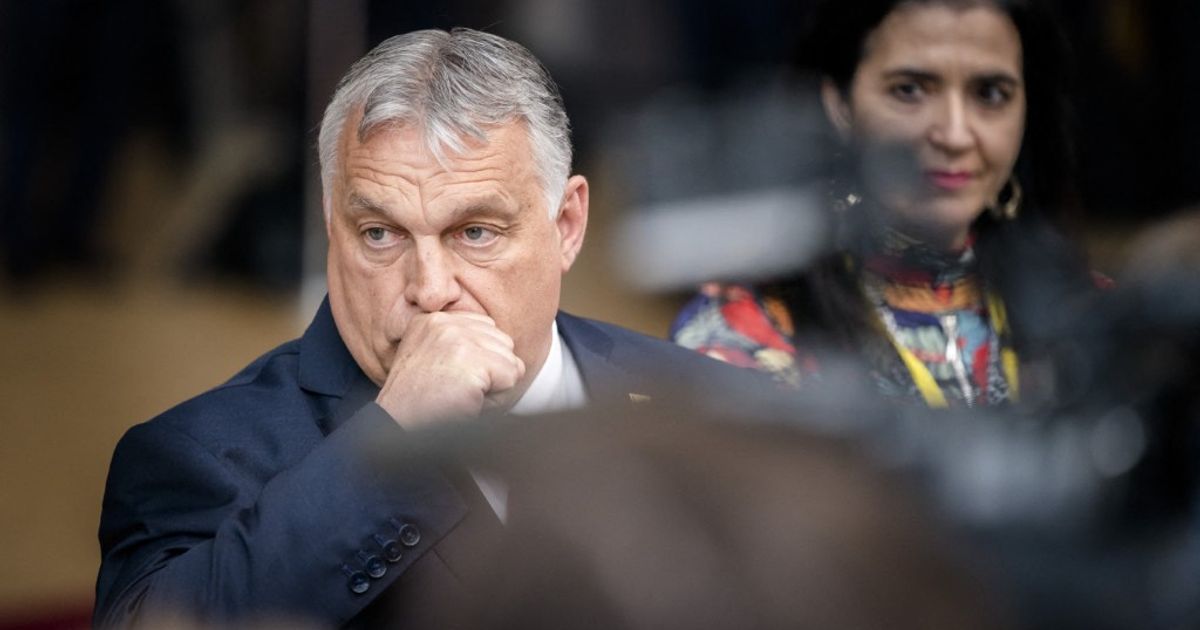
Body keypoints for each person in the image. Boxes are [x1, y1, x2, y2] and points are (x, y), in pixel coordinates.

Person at [94, 28, 763, 629]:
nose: (430, 289)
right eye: (379, 234)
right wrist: (391, 440)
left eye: (475, 232)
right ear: (332, 227)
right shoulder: (199, 454)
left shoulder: (705, 402)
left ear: (567, 225)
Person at [671, 0, 1097, 408]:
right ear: (839, 104)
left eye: (989, 93)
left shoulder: (1091, 319)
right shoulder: (740, 331)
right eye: (909, 90)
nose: (955, 134)